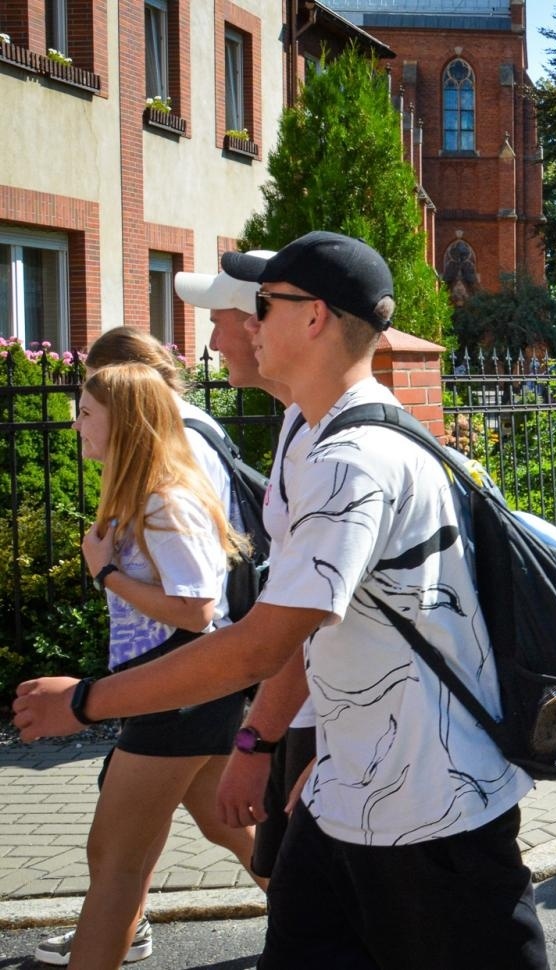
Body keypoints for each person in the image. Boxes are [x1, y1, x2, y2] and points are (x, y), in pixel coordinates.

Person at [15, 231, 550, 968]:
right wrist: (272, 745)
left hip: (433, 810)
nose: (243, 322)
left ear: (315, 318)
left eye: (262, 305)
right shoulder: (314, 430)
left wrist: (84, 702)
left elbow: (260, 641)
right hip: (344, 799)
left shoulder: (351, 461)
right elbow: (316, 632)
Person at [32, 363, 256, 969]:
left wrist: (106, 573)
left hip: (176, 699)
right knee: (230, 832)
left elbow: (197, 608)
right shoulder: (145, 495)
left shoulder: (165, 500)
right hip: (178, 696)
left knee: (114, 862)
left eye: (86, 413)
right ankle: (342, 933)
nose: (76, 425)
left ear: (124, 421)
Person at [174, 256, 317, 885]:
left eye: (220, 322)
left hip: (324, 731)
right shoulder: (296, 423)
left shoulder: (331, 443)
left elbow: (303, 627)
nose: (213, 342)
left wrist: (87, 702)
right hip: (306, 724)